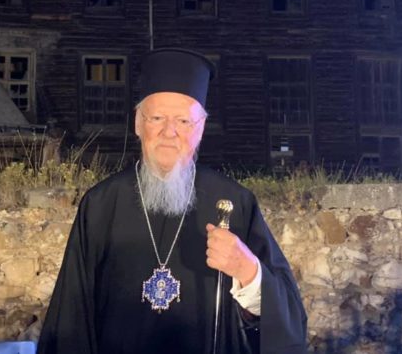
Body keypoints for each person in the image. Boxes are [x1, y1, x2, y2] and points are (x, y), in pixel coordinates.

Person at [37, 48, 307, 354]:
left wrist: (247, 271)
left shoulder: (234, 203)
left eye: (183, 120)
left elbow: (290, 324)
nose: (169, 132)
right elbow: (70, 319)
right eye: (157, 118)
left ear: (200, 129)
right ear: (138, 124)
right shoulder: (100, 206)